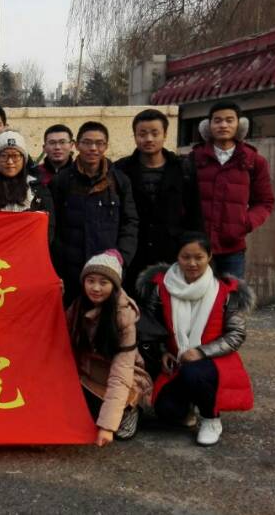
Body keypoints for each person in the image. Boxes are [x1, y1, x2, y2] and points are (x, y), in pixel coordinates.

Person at [137, 232, 254, 446]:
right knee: (167, 411)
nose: (192, 263)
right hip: (177, 359)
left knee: (194, 372)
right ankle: (189, 405)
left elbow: (236, 334)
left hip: (213, 360)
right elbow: (151, 326)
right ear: (177, 257)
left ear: (209, 256)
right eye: (186, 257)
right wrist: (163, 351)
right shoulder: (161, 286)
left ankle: (211, 419)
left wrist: (201, 352)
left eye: (199, 257)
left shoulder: (225, 290)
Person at [66, 250, 151, 446]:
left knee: (116, 429)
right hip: (87, 374)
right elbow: (57, 333)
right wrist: (55, 293)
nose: (95, 288)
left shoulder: (124, 317)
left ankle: (131, 408)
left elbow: (121, 374)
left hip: (123, 378)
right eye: (90, 281)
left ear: (114, 286)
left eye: (103, 282)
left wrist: (107, 427)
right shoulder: (78, 306)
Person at [115, 109, 203, 294]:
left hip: (172, 254)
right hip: (134, 254)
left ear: (165, 135)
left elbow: (195, 214)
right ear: (134, 136)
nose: (149, 139)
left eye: (155, 133)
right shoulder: (121, 170)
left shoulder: (183, 168)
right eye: (142, 134)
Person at [50, 121, 139, 305]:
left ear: (106, 146)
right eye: (87, 142)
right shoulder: (61, 181)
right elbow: (52, 225)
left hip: (108, 271)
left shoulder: (119, 181)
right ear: (76, 145)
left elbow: (130, 222)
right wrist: (59, 263)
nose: (93, 148)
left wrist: (121, 257)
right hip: (70, 273)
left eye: (99, 143)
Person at [191, 101, 274, 279]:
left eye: (229, 120)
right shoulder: (194, 159)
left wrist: (245, 223)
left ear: (239, 125)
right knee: (197, 294)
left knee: (232, 294)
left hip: (233, 247)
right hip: (196, 246)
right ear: (208, 126)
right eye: (217, 120)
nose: (223, 125)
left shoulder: (254, 161)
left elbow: (265, 202)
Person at [0, 131, 55, 239]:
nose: (10, 162)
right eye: (4, 156)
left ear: (24, 159)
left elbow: (49, 228)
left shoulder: (37, 189)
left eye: (15, 156)